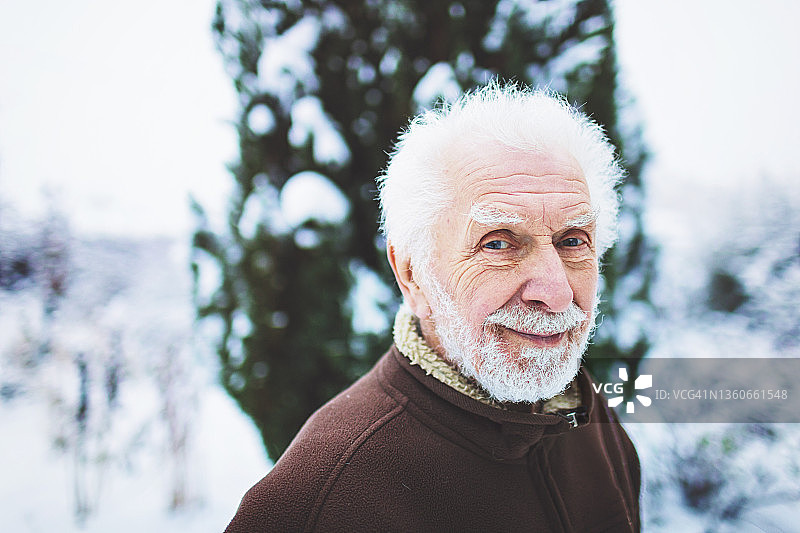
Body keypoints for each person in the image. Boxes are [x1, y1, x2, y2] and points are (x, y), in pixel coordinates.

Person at [225, 83, 640, 532]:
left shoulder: (589, 416)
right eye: (497, 243)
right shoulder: (320, 498)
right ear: (412, 274)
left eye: (573, 240)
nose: (556, 293)